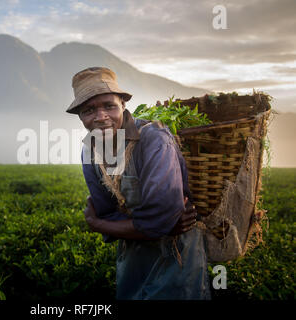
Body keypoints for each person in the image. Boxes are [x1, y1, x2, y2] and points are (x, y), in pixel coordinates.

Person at [66, 67, 211, 300]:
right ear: (80, 116)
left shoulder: (154, 138)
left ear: (123, 104)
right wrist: (152, 225)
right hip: (132, 258)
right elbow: (108, 212)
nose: (101, 117)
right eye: (89, 110)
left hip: (176, 255)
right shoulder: (89, 151)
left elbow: (160, 218)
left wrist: (97, 224)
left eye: (109, 106)